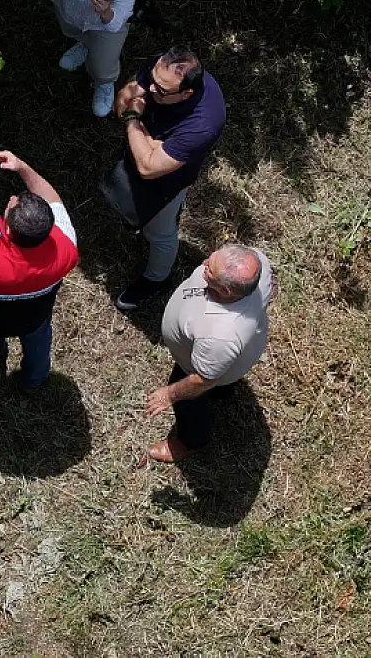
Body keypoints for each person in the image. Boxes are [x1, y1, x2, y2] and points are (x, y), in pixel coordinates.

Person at [104, 45, 227, 311]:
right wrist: (147, 141)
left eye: (161, 90)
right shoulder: (164, 70)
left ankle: (157, 278)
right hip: (151, 155)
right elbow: (124, 97)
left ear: (187, 93)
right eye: (152, 80)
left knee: (158, 232)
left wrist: (133, 120)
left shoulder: (203, 123)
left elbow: (149, 167)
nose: (150, 89)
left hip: (168, 181)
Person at [0, 150, 79, 394]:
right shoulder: (67, 246)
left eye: (10, 204)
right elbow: (52, 197)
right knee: (39, 348)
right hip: (35, 317)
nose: (10, 198)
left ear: (8, 231)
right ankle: (34, 382)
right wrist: (22, 166)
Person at [145, 244, 272, 462]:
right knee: (223, 380)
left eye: (210, 269)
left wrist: (170, 394)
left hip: (198, 369)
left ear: (226, 291)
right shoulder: (259, 263)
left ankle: (191, 441)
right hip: (234, 355)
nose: (204, 263)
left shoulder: (219, 335)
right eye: (212, 258)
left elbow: (202, 380)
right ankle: (224, 391)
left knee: (191, 402)